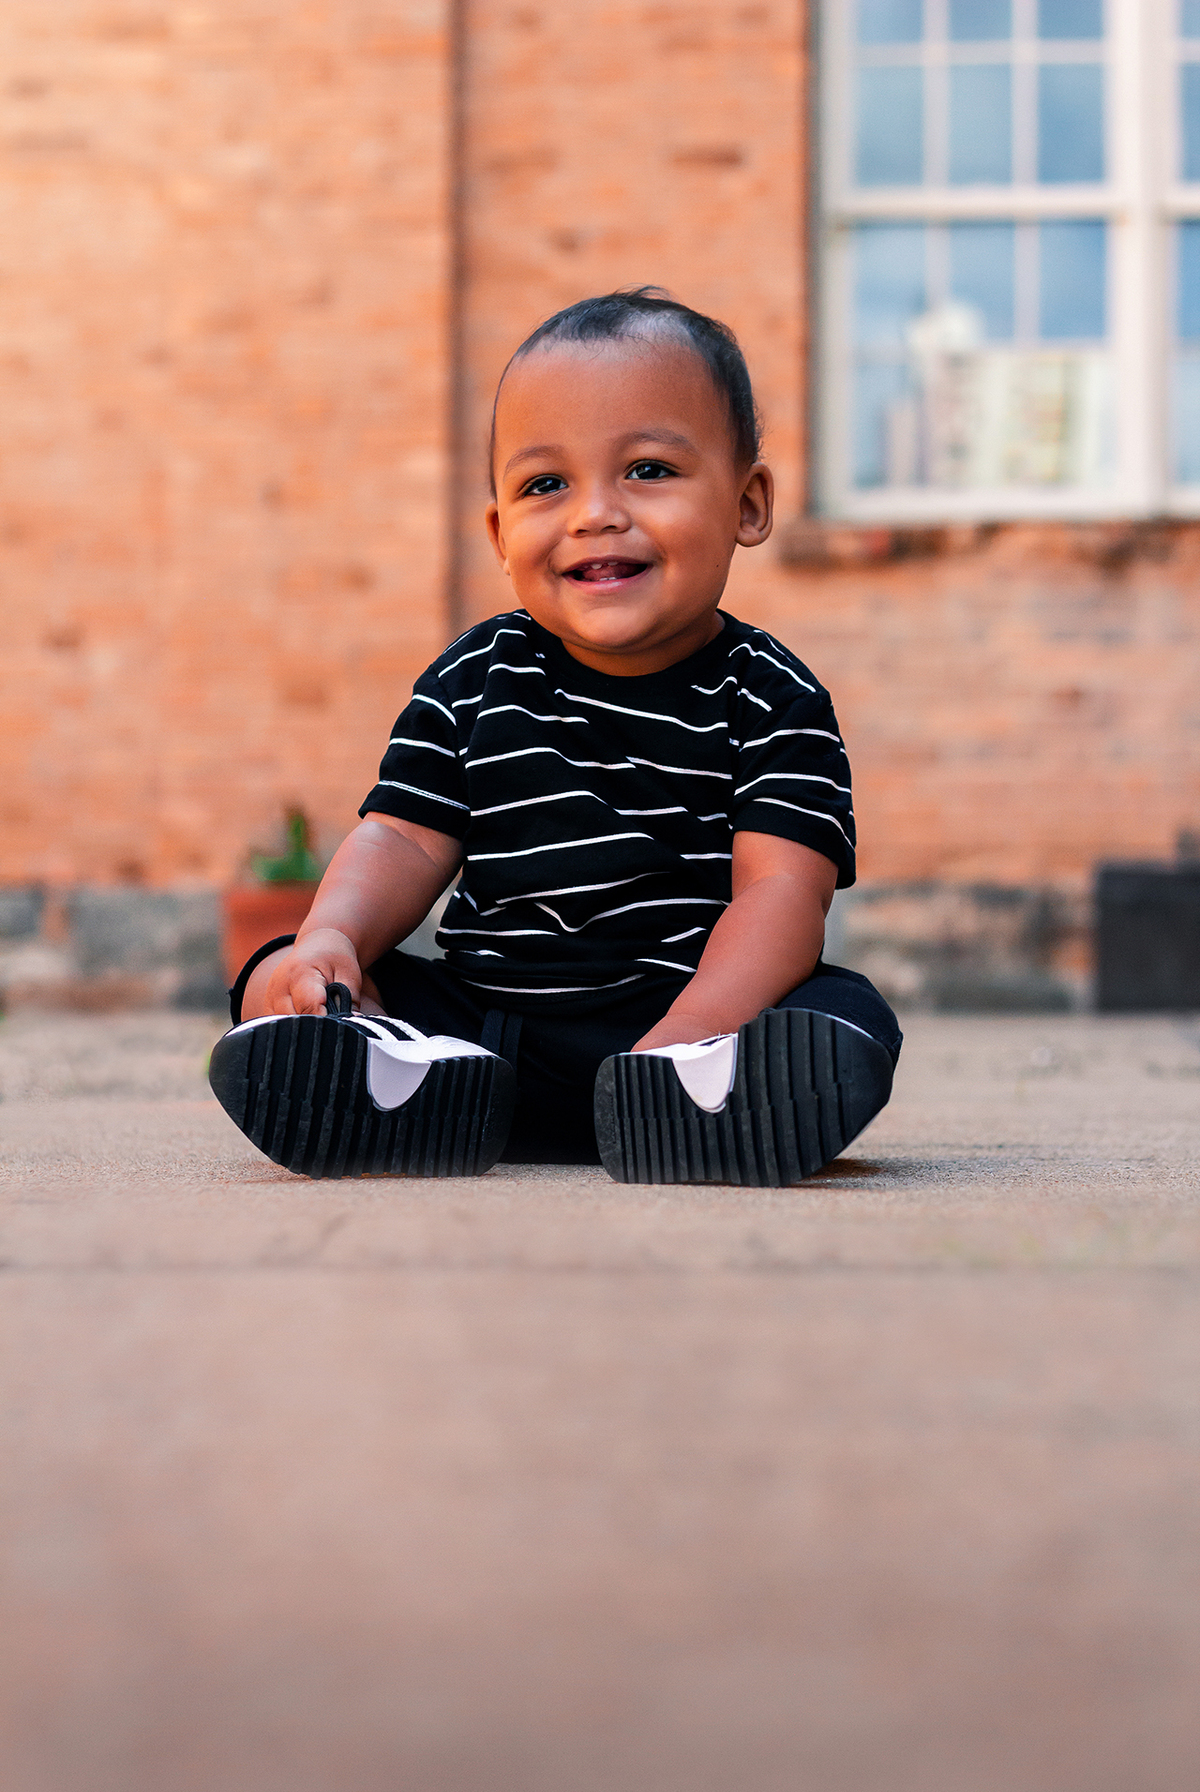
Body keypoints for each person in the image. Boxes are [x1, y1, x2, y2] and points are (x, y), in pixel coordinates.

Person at [209, 288, 901, 1183]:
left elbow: (783, 898)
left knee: (849, 1013)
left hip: (693, 1026)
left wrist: (683, 1038)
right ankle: (396, 1075)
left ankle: (693, 1099)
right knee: (276, 973)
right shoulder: (476, 677)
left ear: (748, 503)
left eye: (648, 469)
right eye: (546, 485)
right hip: (487, 1042)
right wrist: (331, 938)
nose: (594, 514)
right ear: (501, 533)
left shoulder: (773, 696)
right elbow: (402, 839)